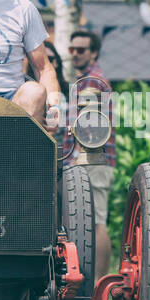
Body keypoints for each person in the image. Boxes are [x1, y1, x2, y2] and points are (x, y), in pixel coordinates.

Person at [60, 29, 118, 274]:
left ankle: (98, 284)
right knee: (90, 223)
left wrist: (73, 160)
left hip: (92, 159)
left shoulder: (93, 81)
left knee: (96, 224)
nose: (75, 54)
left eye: (81, 50)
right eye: (72, 49)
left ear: (93, 53)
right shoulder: (88, 78)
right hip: (91, 160)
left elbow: (90, 126)